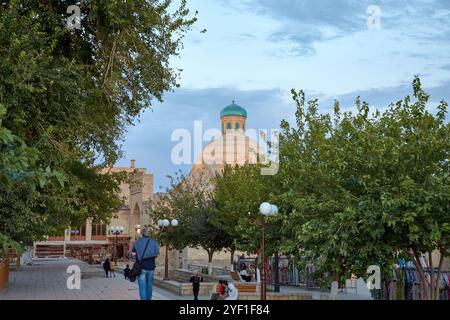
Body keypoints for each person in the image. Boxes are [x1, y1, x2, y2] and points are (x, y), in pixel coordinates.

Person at [132, 227, 160, 300]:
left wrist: (139, 255)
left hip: (141, 267)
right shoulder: (154, 242)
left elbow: (133, 253)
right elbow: (157, 254)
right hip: (151, 267)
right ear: (150, 234)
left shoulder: (137, 242)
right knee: (149, 285)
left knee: (142, 286)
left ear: (142, 233)